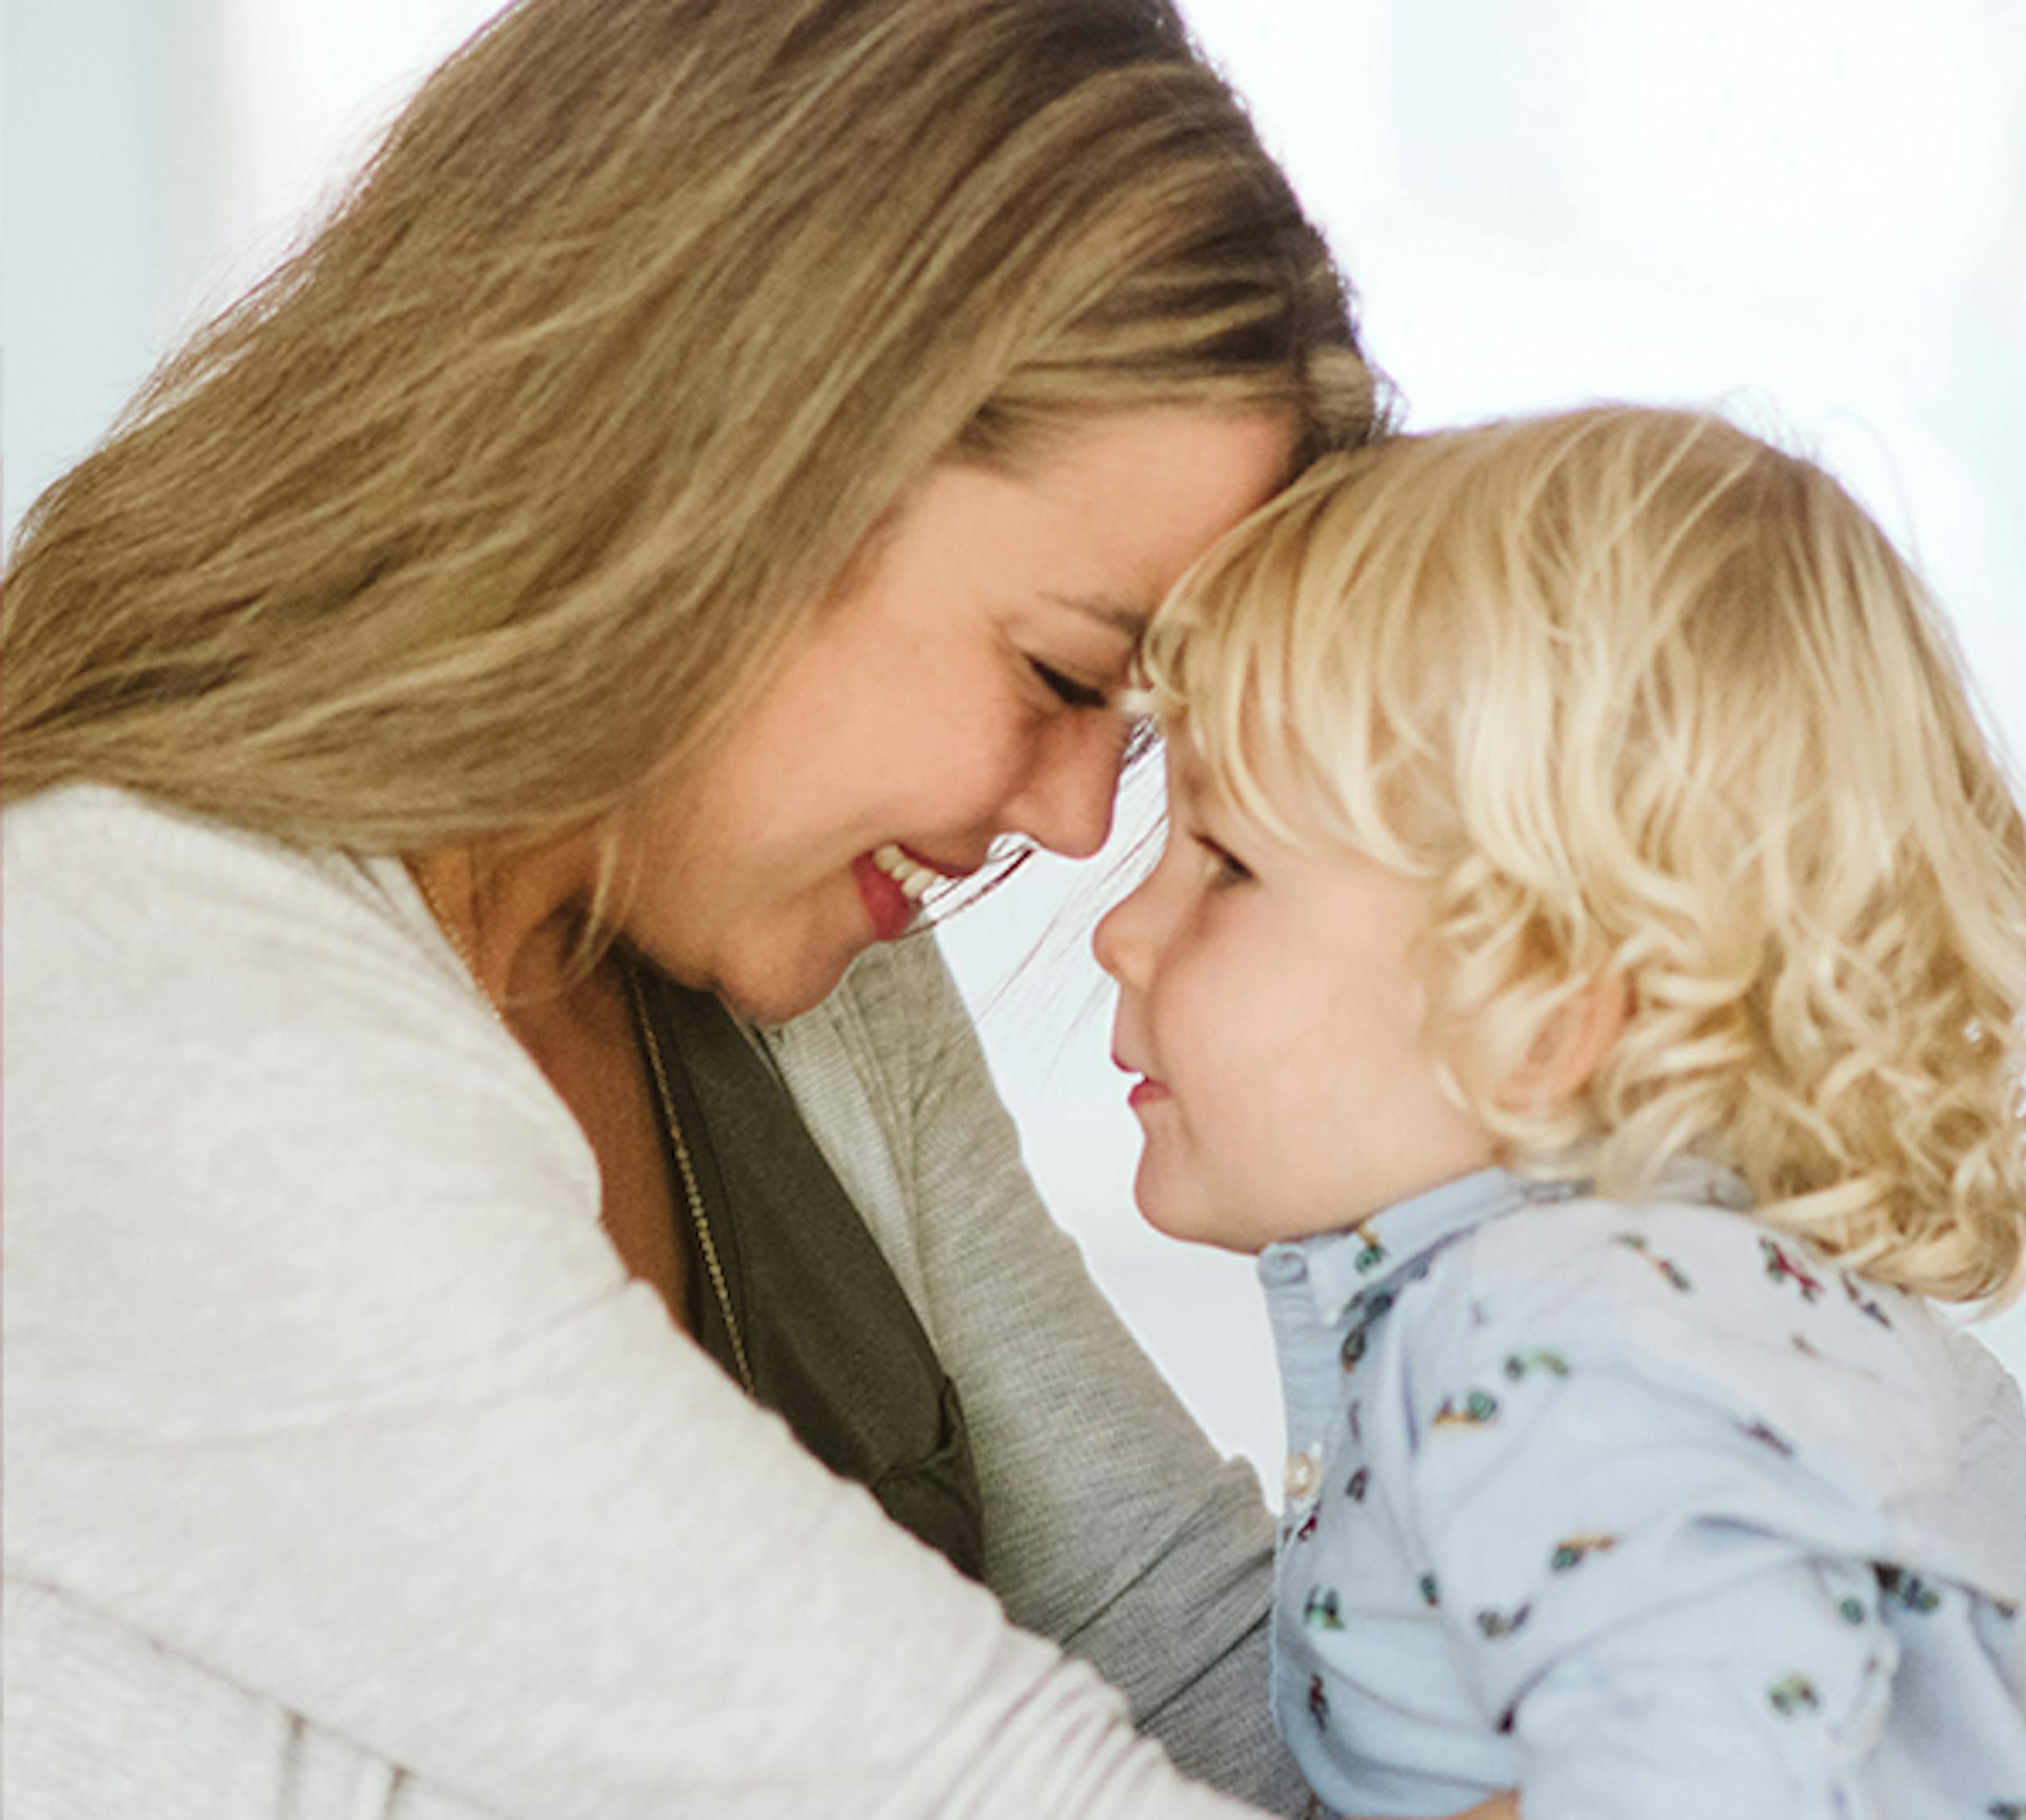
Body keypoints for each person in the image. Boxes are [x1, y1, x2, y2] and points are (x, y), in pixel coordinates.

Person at [0, 3, 1520, 1816]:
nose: (1069, 814)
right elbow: (978, 1786)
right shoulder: (141, 1013)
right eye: (1058, 671)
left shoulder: (798, 975)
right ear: (722, 460)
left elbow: (1179, 1650)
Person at [1090, 405, 2026, 1819]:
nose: (1119, 930)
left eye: (1222, 861)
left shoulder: (1566, 1326)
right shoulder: (1666, 1302)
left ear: (1541, 1004)